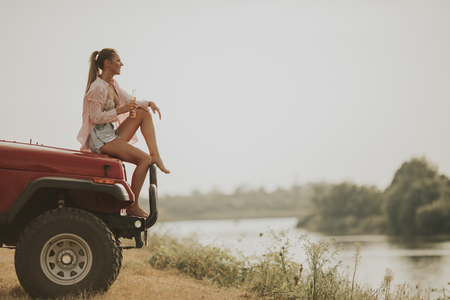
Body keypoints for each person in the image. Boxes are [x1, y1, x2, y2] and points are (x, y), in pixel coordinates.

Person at [77, 48, 170, 218]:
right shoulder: (97, 87)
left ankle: (155, 155)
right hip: (99, 137)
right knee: (143, 160)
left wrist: (149, 102)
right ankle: (132, 206)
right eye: (118, 61)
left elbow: (130, 102)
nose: (122, 64)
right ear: (108, 63)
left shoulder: (113, 84)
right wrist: (120, 111)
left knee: (143, 112)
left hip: (110, 133)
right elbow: (95, 117)